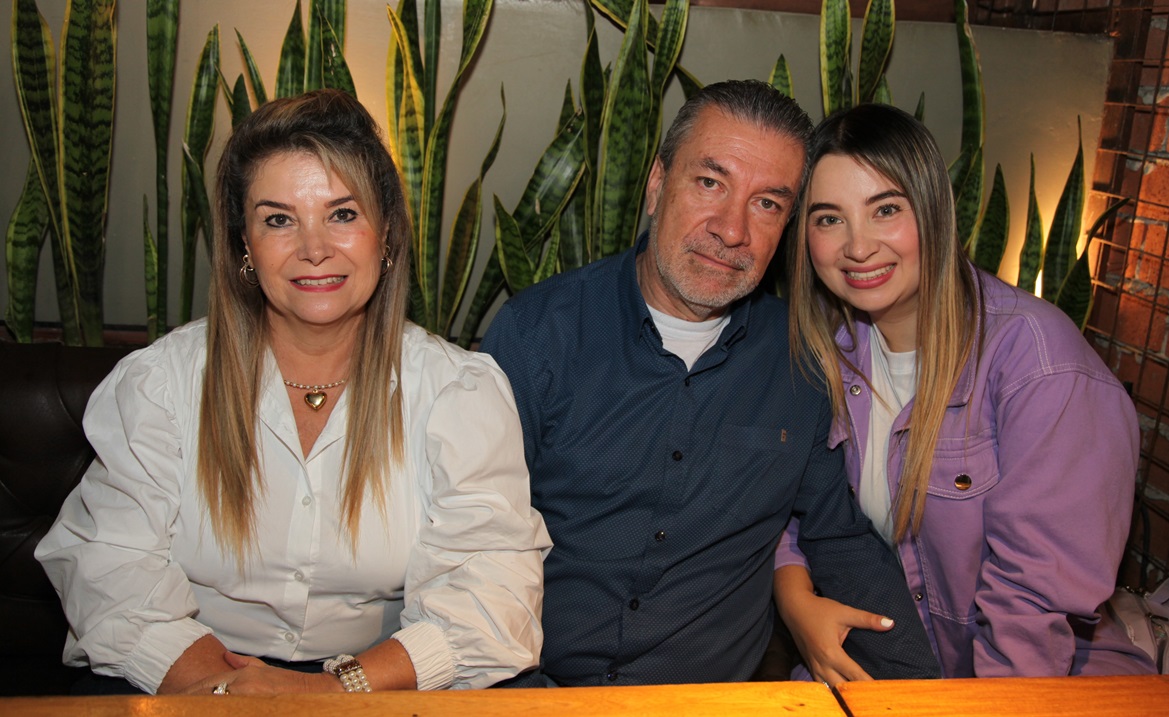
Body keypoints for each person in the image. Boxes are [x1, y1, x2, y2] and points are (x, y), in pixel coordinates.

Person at [36, 89, 551, 695]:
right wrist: (225, 693)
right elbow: (108, 566)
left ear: (385, 232)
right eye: (278, 219)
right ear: (243, 246)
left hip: (375, 684)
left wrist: (334, 691)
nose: (314, 248)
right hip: (185, 678)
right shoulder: (161, 385)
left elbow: (490, 589)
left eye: (343, 213)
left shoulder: (457, 393)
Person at [481, 80, 938, 687]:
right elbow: (473, 550)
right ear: (654, 184)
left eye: (768, 203)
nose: (732, 230)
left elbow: (840, 538)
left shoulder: (801, 357)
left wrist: (930, 694)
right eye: (710, 183)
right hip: (537, 692)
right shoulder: (537, 335)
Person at [774, 102, 1156, 679]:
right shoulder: (828, 347)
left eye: (885, 210)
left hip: (1036, 681)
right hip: (891, 657)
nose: (857, 246)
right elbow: (790, 505)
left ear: (933, 210)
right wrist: (796, 598)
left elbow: (1031, 614)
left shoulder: (1040, 369)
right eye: (829, 219)